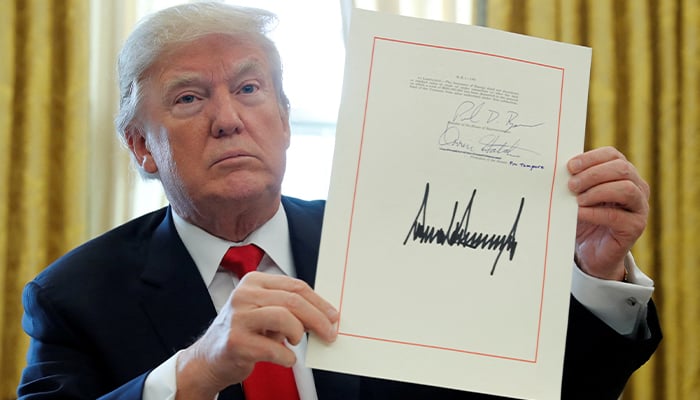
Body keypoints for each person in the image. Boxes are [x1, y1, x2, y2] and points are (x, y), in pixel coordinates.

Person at [17, 2, 661, 399]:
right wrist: (195, 371)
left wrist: (595, 271)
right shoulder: (74, 297)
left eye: (249, 88)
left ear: (287, 120)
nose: (228, 119)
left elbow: (551, 393)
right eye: (188, 98)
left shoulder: (396, 243)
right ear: (141, 148)